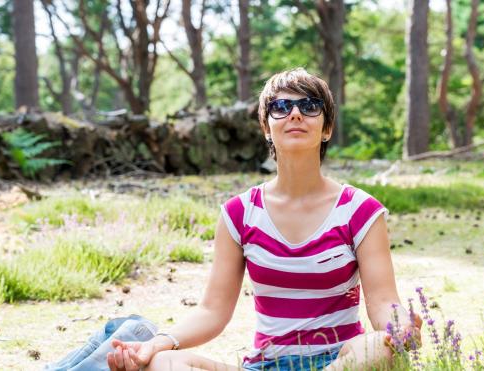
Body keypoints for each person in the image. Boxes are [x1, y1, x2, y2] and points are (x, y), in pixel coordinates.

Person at [106, 68, 420, 371]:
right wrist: (156, 344)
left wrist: (401, 327)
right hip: (265, 365)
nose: (295, 114)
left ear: (327, 129)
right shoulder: (238, 213)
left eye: (310, 106)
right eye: (281, 107)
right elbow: (212, 311)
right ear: (266, 127)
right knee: (163, 363)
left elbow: (382, 303)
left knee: (380, 347)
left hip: (340, 361)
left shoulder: (360, 210)